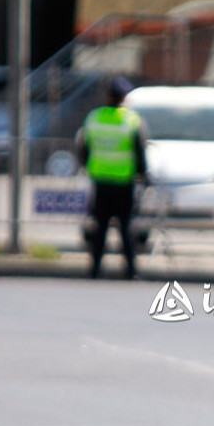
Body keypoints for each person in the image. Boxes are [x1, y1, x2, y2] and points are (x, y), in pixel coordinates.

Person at [76, 76, 147, 279]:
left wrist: (89, 166)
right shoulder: (131, 120)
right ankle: (130, 270)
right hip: (124, 181)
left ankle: (95, 269)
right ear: (124, 97)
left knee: (100, 226)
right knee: (125, 226)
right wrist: (143, 174)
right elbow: (139, 150)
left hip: (100, 179)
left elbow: (83, 148)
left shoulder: (94, 118)